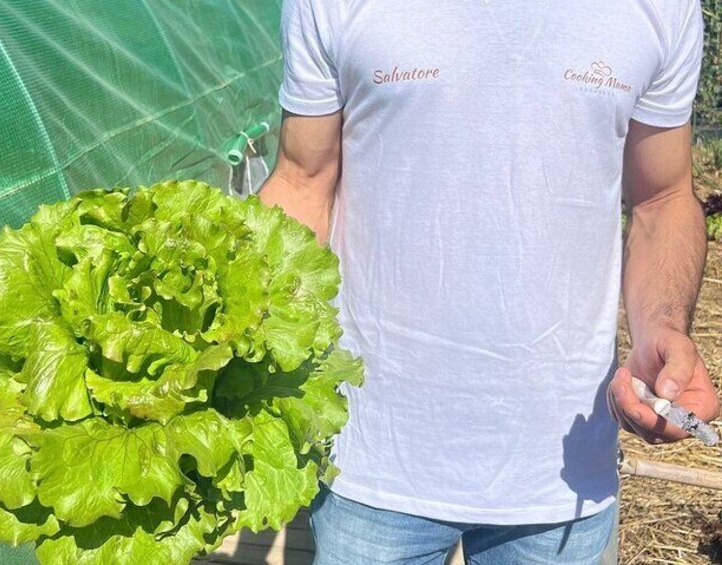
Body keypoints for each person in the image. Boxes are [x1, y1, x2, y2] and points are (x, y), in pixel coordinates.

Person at [258, 1, 721, 563]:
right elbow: (302, 180)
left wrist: (663, 327)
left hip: (559, 472)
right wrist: (245, 335)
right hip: (372, 454)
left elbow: (663, 197)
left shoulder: (660, 8)